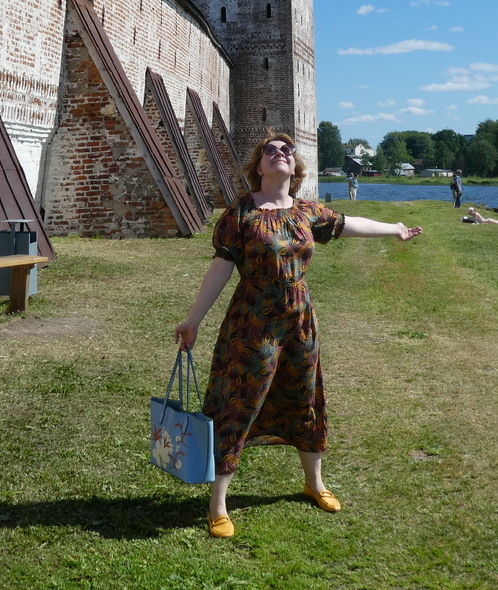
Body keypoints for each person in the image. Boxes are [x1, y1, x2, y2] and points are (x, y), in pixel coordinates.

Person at [174, 133, 422, 538]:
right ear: (259, 166)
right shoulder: (242, 211)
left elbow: (347, 224)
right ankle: (218, 503)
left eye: (287, 150)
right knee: (239, 401)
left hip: (299, 319)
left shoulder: (306, 211)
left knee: (305, 396)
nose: (280, 153)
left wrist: (394, 228)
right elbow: (221, 267)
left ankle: (314, 483)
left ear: (295, 165)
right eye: (270, 150)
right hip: (252, 322)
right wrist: (193, 319)